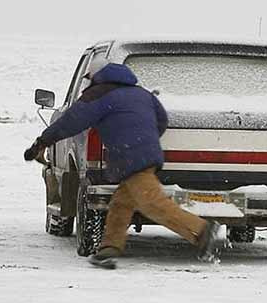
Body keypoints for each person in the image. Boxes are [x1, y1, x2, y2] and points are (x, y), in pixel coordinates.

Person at [24, 57, 220, 269]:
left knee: (152, 203)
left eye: (89, 77)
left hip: (129, 157)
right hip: (147, 155)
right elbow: (161, 119)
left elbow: (70, 122)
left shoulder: (99, 95)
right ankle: (109, 249)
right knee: (121, 203)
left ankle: (202, 230)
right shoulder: (142, 93)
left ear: (95, 76)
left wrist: (41, 143)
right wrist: (144, 139)